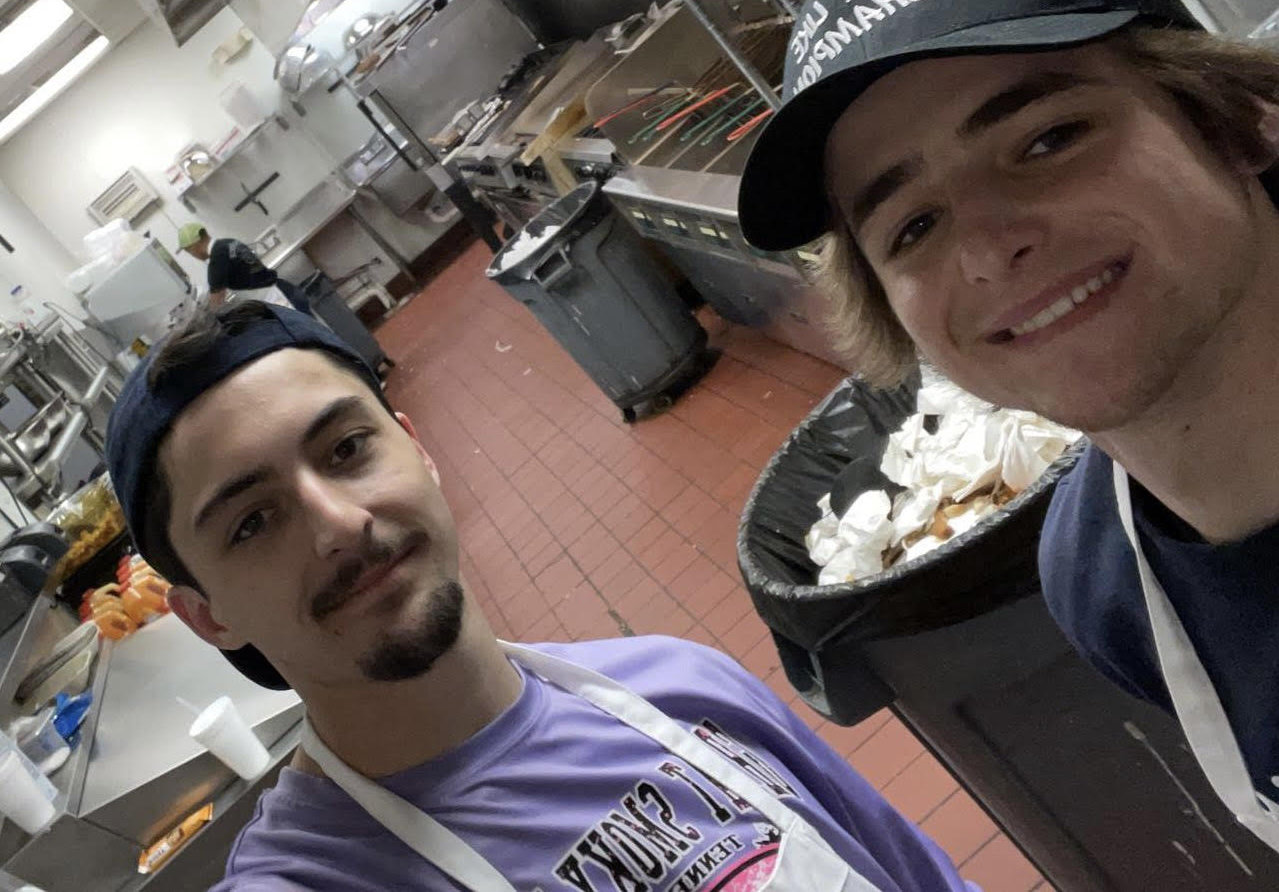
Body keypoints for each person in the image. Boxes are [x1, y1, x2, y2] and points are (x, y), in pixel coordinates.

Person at [735, 0, 1279, 887]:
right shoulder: (1104, 587)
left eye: (1049, 138)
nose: (988, 248)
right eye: (913, 227)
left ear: (1234, 121)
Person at [104, 300, 975, 892]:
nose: (337, 524)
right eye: (253, 522)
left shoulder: (675, 685)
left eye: (345, 451)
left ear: (418, 450)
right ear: (208, 616)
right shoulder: (314, 877)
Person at [178, 222, 312, 314]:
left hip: (277, 300)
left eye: (189, 251)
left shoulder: (216, 260)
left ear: (194, 245)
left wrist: (204, 320)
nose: (192, 255)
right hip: (284, 290)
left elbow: (216, 302)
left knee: (310, 342)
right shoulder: (227, 242)